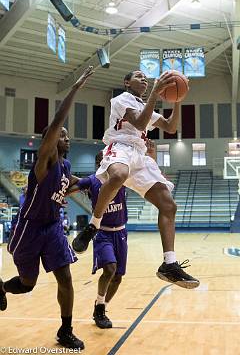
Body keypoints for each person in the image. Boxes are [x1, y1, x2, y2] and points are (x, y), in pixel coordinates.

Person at [73, 70, 200, 289]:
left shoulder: (146, 106)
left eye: (145, 77)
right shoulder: (122, 99)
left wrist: (178, 100)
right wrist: (155, 93)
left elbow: (170, 127)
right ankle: (93, 226)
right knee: (119, 175)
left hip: (139, 156)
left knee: (169, 206)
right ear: (126, 82)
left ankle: (169, 264)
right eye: (138, 76)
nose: (144, 79)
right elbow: (140, 124)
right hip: (120, 147)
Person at [0, 66, 94, 349]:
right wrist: (75, 88)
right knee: (27, 284)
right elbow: (55, 124)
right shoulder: (45, 163)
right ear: (50, 142)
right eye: (61, 135)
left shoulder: (65, 168)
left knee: (64, 277)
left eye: (65, 135)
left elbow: (83, 182)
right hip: (29, 227)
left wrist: (113, 176)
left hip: (53, 227)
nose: (66, 137)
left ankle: (65, 330)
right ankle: (2, 287)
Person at [70, 140, 157, 329]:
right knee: (109, 268)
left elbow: (147, 173)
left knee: (117, 277)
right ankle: (100, 307)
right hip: (102, 232)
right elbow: (71, 185)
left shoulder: (123, 177)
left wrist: (151, 153)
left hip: (121, 233)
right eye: (108, 159)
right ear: (101, 164)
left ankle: (101, 306)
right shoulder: (92, 181)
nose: (113, 160)